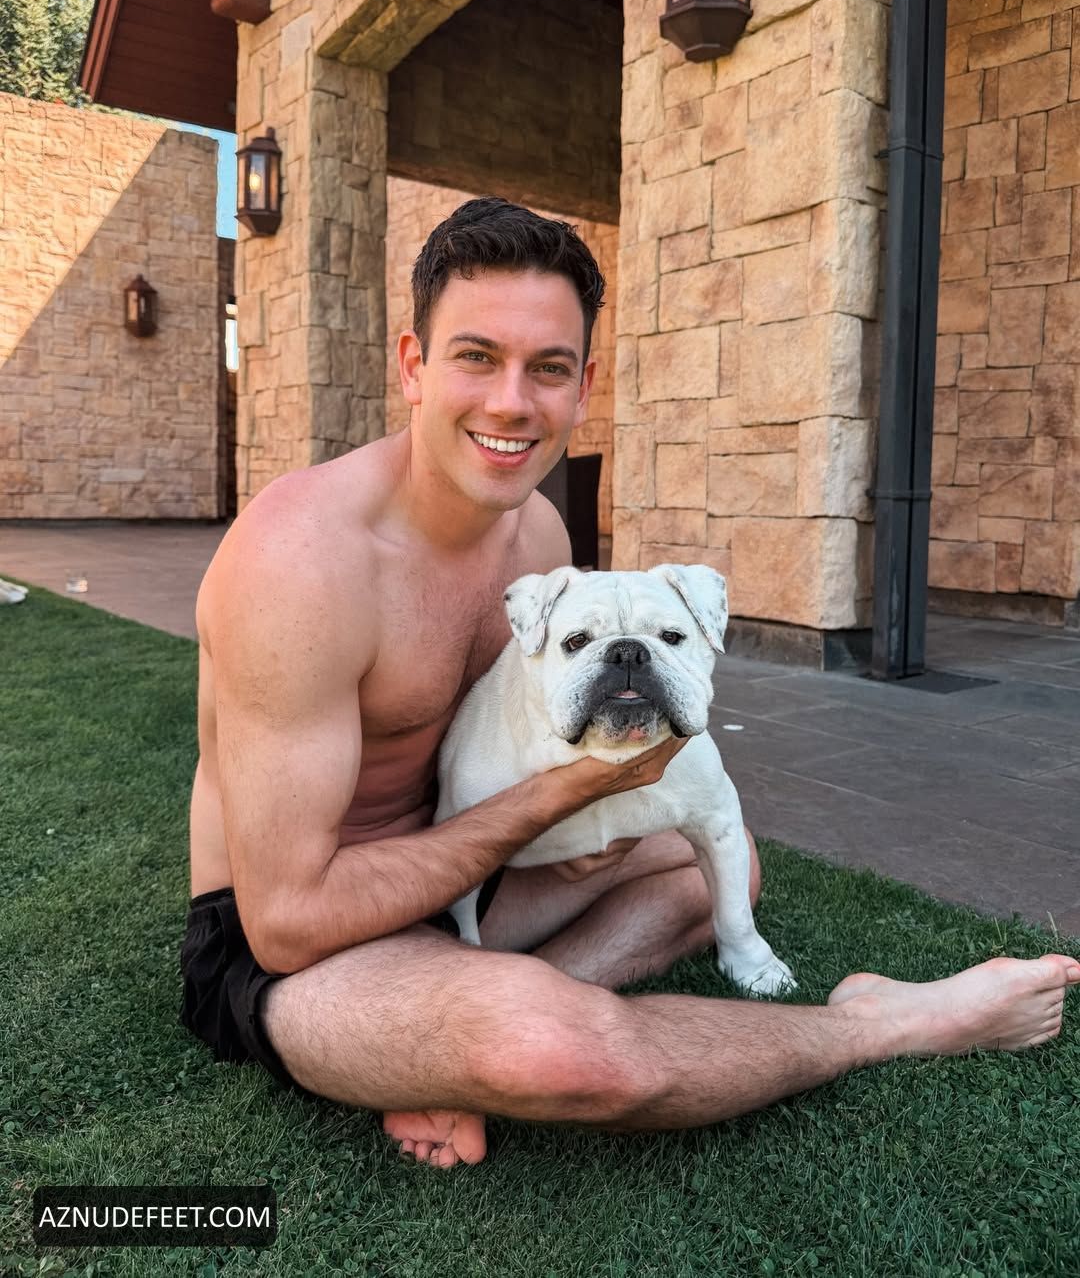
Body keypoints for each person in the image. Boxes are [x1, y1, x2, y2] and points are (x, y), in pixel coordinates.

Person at [181, 196, 1079, 1169]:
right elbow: (287, 921)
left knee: (720, 868)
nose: (512, 402)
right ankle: (884, 1022)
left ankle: (458, 1040)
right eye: (477, 356)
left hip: (473, 882)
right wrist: (553, 803)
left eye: (548, 368)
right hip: (305, 942)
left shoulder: (538, 535)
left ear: (583, 387)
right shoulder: (301, 562)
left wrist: (580, 809)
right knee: (567, 1050)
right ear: (413, 365)